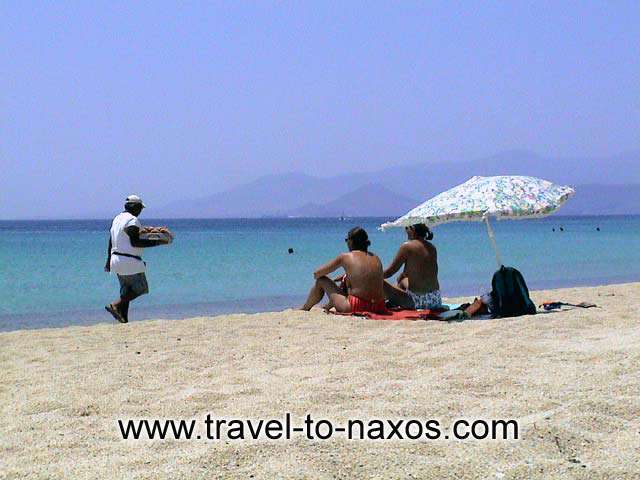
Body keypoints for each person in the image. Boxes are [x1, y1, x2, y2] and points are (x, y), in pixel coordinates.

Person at [104, 195, 168, 323]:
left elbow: (111, 240)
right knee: (141, 288)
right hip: (129, 260)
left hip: (116, 260)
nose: (140, 212)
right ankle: (116, 304)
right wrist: (158, 242)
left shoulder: (117, 219)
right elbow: (135, 242)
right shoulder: (132, 220)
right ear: (136, 207)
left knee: (126, 290)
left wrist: (108, 261)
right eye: (140, 208)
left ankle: (124, 319)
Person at [300, 227, 388, 314]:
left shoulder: (345, 257)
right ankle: (327, 305)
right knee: (347, 281)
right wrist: (346, 275)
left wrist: (330, 279)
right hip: (378, 306)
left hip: (357, 306)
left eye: (346, 240)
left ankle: (305, 308)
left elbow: (317, 274)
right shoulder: (375, 257)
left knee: (321, 280)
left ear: (351, 242)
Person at [383, 223, 442, 309]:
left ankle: (392, 301)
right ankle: (393, 301)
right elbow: (422, 271)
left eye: (407, 227)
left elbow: (390, 272)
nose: (405, 230)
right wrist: (403, 275)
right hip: (435, 299)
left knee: (381, 283)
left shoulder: (407, 246)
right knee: (402, 279)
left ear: (413, 229)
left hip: (418, 302)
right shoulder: (432, 247)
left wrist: (375, 276)